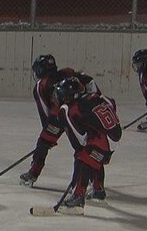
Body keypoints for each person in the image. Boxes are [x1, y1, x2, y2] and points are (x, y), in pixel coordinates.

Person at [20, 54, 100, 187]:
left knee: (43, 142)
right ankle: (94, 183)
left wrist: (48, 139)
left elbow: (44, 111)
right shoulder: (66, 72)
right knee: (85, 149)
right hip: (79, 113)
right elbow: (89, 82)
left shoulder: (41, 85)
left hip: (59, 116)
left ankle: (33, 173)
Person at [53, 76, 123, 214]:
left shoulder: (70, 109)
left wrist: (80, 157)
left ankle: (78, 199)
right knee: (93, 157)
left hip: (102, 142)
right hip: (114, 138)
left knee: (84, 158)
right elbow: (111, 102)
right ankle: (98, 191)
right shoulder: (95, 96)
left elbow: (79, 140)